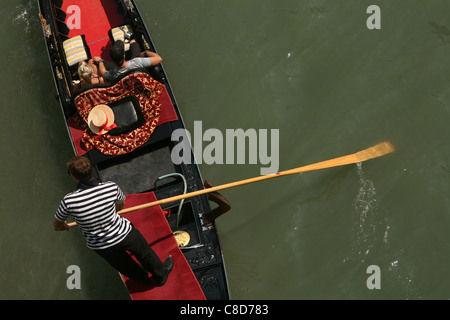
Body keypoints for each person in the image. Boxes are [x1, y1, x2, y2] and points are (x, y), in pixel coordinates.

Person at [53, 156, 173, 285]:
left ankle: (142, 278)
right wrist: (108, 212)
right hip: (123, 232)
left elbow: (57, 224)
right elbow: (120, 205)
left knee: (125, 266)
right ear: (91, 171)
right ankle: (160, 276)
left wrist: (64, 226)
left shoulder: (68, 201)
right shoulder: (110, 187)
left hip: (101, 245)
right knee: (145, 254)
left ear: (74, 177)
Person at [97, 39, 162, 82]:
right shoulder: (137, 61)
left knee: (100, 62)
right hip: (135, 67)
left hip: (119, 72)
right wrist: (146, 52)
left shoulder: (113, 74)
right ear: (124, 55)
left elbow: (103, 73)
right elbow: (159, 59)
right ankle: (132, 41)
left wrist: (100, 61)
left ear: (112, 60)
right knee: (133, 42)